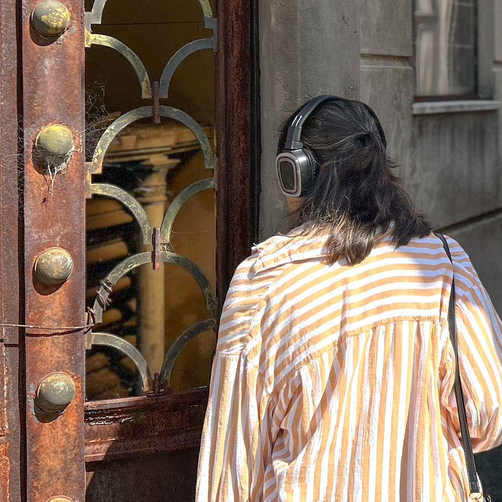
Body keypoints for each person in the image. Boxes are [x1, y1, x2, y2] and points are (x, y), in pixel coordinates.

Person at [196, 96, 502, 501]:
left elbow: (231, 465)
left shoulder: (263, 282)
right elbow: (489, 415)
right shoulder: (445, 262)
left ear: (297, 174)